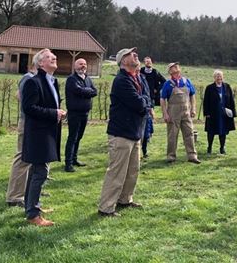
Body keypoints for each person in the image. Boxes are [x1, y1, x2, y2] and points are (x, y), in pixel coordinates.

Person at [98, 47, 152, 217]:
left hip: (135, 131)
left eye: (135, 53)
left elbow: (148, 99)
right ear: (123, 61)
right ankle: (106, 208)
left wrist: (144, 102)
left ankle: (125, 199)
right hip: (121, 133)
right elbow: (138, 103)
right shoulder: (122, 80)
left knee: (132, 170)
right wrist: (144, 102)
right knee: (117, 172)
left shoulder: (138, 77)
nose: (136, 55)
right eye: (130, 54)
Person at [21, 49, 66, 227]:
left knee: (36, 171)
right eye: (49, 57)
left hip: (49, 131)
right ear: (40, 63)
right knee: (40, 172)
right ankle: (33, 214)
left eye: (54, 56)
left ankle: (32, 206)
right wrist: (54, 113)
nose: (54, 58)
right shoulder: (34, 82)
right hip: (38, 133)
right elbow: (29, 108)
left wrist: (59, 113)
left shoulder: (53, 81)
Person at [5, 64, 36, 207]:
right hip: (27, 122)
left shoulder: (37, 79)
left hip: (36, 123)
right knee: (22, 157)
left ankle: (29, 190)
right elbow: (21, 98)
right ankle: (14, 196)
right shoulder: (28, 78)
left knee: (32, 159)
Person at [160, 63, 201, 164]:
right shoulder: (167, 84)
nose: (176, 72)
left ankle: (192, 155)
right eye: (173, 70)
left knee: (189, 133)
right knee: (172, 135)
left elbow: (192, 96)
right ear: (170, 72)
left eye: (177, 69)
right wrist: (165, 114)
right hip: (173, 113)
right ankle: (171, 156)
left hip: (186, 112)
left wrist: (193, 109)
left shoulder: (187, 82)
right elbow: (162, 99)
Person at [64, 58, 97, 173]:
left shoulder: (87, 78)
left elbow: (95, 91)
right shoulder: (71, 79)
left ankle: (74, 159)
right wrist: (87, 91)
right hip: (74, 113)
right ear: (75, 66)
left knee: (79, 137)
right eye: (80, 64)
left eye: (84, 64)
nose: (83, 66)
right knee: (72, 137)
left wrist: (85, 91)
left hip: (85, 113)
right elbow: (78, 91)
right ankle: (68, 164)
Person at [202, 69, 236, 155]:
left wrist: (233, 113)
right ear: (214, 77)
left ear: (223, 77)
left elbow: (231, 100)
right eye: (217, 76)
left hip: (224, 114)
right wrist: (206, 113)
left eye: (220, 76)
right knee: (211, 132)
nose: (219, 78)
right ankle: (209, 148)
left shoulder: (227, 87)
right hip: (212, 114)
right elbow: (206, 101)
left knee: (223, 131)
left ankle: (222, 148)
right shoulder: (209, 88)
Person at [140, 57, 165, 159]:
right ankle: (147, 134)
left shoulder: (155, 72)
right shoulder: (141, 71)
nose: (148, 63)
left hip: (151, 97)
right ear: (144, 63)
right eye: (146, 61)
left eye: (149, 61)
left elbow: (164, 81)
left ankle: (149, 133)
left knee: (150, 116)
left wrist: (157, 89)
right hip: (142, 96)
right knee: (146, 117)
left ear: (152, 63)